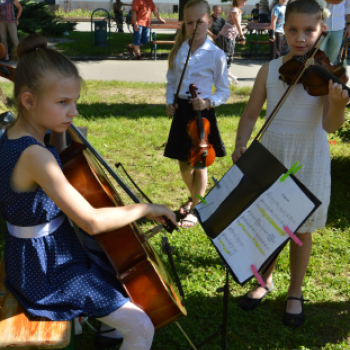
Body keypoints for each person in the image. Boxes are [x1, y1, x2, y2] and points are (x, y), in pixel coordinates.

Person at [0, 33, 178, 350]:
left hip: (30, 256)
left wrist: (61, 132)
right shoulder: (35, 156)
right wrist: (148, 209)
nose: (73, 112)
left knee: (106, 270)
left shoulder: (11, 134)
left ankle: (98, 325)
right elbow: (92, 222)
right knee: (140, 326)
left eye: (75, 101)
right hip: (46, 272)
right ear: (28, 101)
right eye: (63, 102)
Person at [232, 0, 349, 327]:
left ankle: (295, 291)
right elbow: (251, 114)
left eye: (309, 30)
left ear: (321, 31)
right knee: (271, 223)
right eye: (294, 29)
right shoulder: (270, 70)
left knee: (300, 228)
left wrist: (338, 105)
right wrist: (241, 142)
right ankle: (264, 280)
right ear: (284, 29)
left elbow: (329, 125)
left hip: (308, 157)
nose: (301, 37)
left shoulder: (329, 74)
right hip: (272, 154)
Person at [165, 0, 230, 228]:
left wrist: (208, 102)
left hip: (202, 113)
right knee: (184, 164)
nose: (194, 27)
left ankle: (196, 209)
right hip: (182, 110)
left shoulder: (216, 54)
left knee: (200, 165)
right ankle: (197, 201)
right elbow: (172, 82)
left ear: (209, 21)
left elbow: (224, 90)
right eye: (189, 22)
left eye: (199, 22)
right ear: (184, 24)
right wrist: (169, 102)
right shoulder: (179, 49)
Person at [217, 0, 247, 85]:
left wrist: (238, 36)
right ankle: (223, 75)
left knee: (230, 55)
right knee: (226, 55)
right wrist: (242, 36)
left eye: (245, 2)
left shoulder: (238, 10)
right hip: (226, 35)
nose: (244, 3)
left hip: (232, 35)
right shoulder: (234, 10)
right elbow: (237, 23)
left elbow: (236, 26)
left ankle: (228, 73)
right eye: (243, 1)